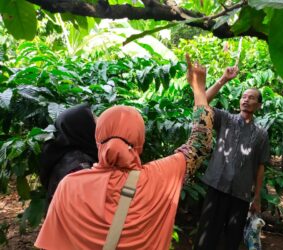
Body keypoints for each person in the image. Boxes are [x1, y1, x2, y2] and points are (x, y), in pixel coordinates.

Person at [34, 55, 213, 250]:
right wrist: (198, 88)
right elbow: (200, 142)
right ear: (140, 142)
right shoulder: (160, 177)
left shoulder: (69, 186)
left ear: (98, 139)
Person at [193, 66, 270, 250]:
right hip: (217, 186)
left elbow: (260, 166)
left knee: (232, 239)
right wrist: (223, 80)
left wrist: (257, 196)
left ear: (258, 105)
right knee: (206, 235)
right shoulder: (225, 119)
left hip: (241, 193)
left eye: (251, 97)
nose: (246, 100)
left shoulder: (261, 135)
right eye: (244, 96)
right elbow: (201, 104)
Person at [39, 104, 98, 209]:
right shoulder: (79, 168)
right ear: (83, 127)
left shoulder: (59, 153)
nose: (98, 122)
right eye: (93, 119)